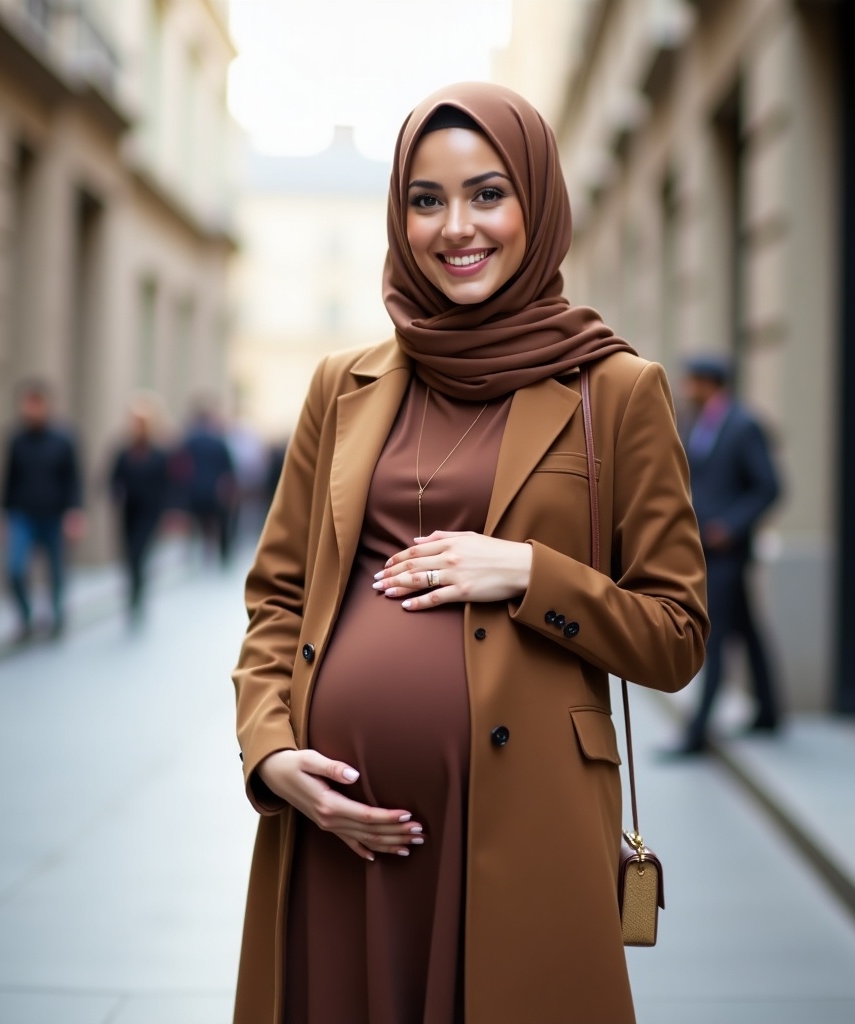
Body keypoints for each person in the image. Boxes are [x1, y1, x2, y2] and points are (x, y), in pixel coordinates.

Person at [231, 83, 708, 1024]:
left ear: (538, 201)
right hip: (338, 842)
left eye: (488, 194)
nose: (457, 227)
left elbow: (677, 635)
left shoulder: (614, 391)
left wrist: (532, 574)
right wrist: (272, 751)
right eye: (426, 200)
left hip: (524, 828)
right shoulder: (344, 386)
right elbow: (277, 598)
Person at [665, 354, 782, 756]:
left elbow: (769, 487)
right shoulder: (699, 422)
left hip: (727, 550)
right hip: (703, 548)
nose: (685, 388)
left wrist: (729, 526)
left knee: (710, 635)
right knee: (747, 630)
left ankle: (696, 733)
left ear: (708, 383)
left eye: (690, 381)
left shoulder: (743, 425)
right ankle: (770, 712)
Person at [1, 380, 84, 639]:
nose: (31, 409)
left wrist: (75, 512)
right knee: (14, 569)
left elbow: (74, 478)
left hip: (55, 514)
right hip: (22, 514)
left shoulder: (64, 438)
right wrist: (2, 513)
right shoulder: (16, 439)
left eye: (36, 403)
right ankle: (26, 617)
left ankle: (57, 616)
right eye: (27, 403)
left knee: (56, 570)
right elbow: (8, 478)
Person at [109, 400, 170, 624]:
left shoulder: (159, 454)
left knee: (139, 553)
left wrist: (170, 512)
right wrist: (115, 492)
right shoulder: (124, 452)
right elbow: (113, 478)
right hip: (129, 511)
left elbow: (168, 484)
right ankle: (133, 592)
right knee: (129, 556)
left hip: (150, 512)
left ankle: (138, 595)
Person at [176, 401, 236, 565]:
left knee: (195, 524)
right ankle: (222, 554)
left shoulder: (189, 440)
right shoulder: (218, 441)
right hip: (215, 491)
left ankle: (196, 554)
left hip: (193, 489)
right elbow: (228, 469)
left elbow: (179, 466)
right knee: (220, 523)